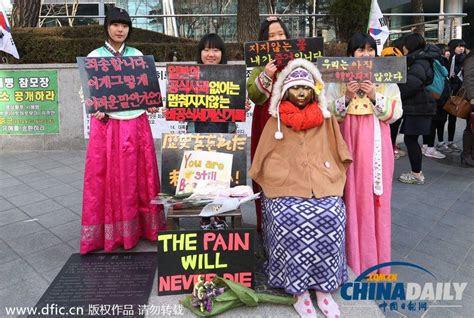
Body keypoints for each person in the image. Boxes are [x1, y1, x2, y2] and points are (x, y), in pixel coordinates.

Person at [250, 58, 352, 318]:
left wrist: (331, 171)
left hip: (321, 179)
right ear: (285, 90)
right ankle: (299, 290)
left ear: (314, 90)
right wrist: (275, 176)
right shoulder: (277, 119)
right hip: (284, 183)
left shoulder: (325, 116)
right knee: (288, 217)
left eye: (306, 88)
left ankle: (324, 287)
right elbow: (262, 157)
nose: (302, 93)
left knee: (333, 214)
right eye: (296, 88)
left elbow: (340, 151)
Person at [80, 7, 166, 254]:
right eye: (116, 25)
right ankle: (110, 232)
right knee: (106, 175)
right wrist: (93, 107)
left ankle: (141, 228)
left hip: (136, 122)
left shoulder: (136, 54)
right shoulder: (94, 56)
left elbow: (146, 88)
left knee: (138, 174)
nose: (120, 30)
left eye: (125, 25)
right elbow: (87, 91)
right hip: (107, 124)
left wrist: (150, 103)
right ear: (107, 27)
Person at [326, 33, 403, 275]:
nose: (366, 54)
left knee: (375, 200)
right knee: (348, 196)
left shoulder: (387, 78)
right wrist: (346, 97)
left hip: (377, 143)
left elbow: (395, 113)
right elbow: (329, 112)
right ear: (351, 55)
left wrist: (373, 95)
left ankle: (374, 261)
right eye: (360, 50)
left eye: (370, 50)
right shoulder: (337, 78)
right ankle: (350, 260)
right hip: (347, 141)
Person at [247, 16, 290, 232]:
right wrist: (266, 75)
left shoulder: (298, 60)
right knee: (266, 168)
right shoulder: (259, 63)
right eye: (271, 36)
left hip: (293, 125)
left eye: (280, 34)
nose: (276, 39)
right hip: (265, 122)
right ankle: (266, 226)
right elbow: (254, 95)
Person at [189, 33, 233, 230]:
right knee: (201, 177)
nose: (211, 54)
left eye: (216, 49)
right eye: (206, 49)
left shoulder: (232, 76)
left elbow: (236, 106)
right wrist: (172, 108)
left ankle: (220, 216)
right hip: (198, 132)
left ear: (222, 53)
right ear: (200, 53)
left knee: (222, 178)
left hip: (223, 132)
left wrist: (242, 104)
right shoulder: (190, 76)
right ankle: (205, 218)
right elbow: (182, 106)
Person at [397, 33, 438, 185]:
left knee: (410, 139)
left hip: (419, 106)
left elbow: (412, 85)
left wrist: (394, 94)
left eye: (405, 45)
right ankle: (416, 172)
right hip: (420, 105)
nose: (403, 48)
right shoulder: (421, 59)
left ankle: (416, 174)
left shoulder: (419, 62)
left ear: (411, 46)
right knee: (411, 138)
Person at [436, 39, 466, 153]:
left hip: (457, 94)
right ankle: (440, 142)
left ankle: (450, 141)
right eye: (458, 46)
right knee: (442, 119)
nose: (461, 48)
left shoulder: (464, 60)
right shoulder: (446, 60)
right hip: (446, 93)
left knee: (453, 118)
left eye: (462, 46)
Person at [381, 45, 406, 160]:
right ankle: (390, 147)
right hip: (385, 107)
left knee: (393, 127)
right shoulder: (380, 73)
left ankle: (390, 147)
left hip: (394, 105)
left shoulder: (400, 72)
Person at [461, 50, 474, 166]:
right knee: (470, 127)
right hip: (473, 98)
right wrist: (472, 96)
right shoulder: (471, 58)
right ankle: (466, 154)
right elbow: (469, 78)